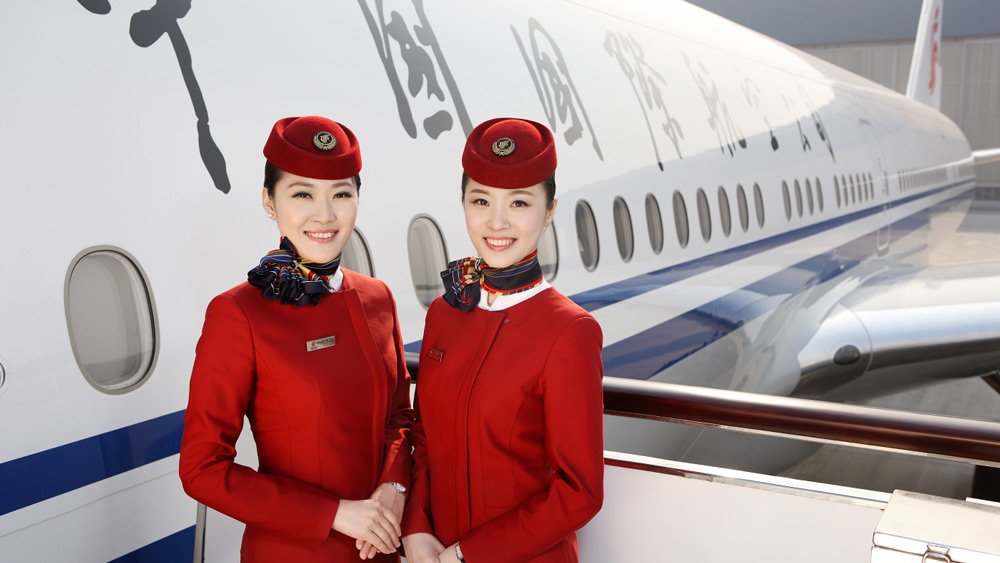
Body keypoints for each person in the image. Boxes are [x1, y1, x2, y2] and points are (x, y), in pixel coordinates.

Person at [179, 116, 413, 562]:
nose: (325, 215)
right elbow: (201, 469)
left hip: (383, 547)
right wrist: (333, 513)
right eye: (302, 193)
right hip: (295, 551)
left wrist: (395, 485)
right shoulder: (239, 313)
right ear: (269, 201)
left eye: (341, 194)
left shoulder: (376, 297)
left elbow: (399, 415)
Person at [401, 118, 604, 562]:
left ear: (549, 209)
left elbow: (580, 492)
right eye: (480, 200)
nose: (496, 222)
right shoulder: (445, 314)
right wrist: (415, 527)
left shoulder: (569, 331)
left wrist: (464, 556)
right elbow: (424, 439)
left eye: (519, 202)